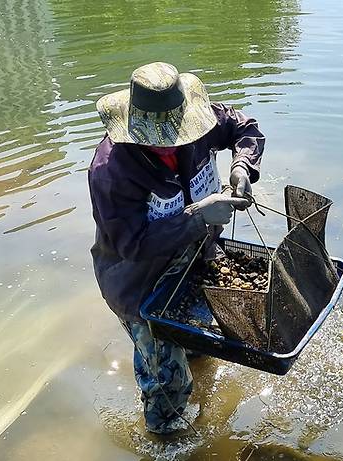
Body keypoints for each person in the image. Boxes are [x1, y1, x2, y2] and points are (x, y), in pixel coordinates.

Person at [88, 62, 264, 434]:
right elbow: (132, 245)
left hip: (195, 260)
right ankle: (168, 448)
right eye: (164, 137)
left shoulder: (196, 123)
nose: (177, 141)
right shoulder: (112, 172)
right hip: (141, 284)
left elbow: (245, 128)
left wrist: (242, 167)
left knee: (201, 346)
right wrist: (199, 216)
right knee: (166, 382)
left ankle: (197, 374)